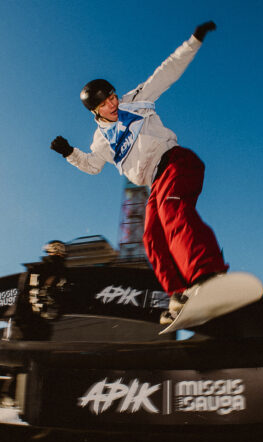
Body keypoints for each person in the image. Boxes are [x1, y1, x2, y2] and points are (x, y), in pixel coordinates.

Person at [50, 21, 228, 324]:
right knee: (152, 238)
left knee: (173, 212)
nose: (113, 104)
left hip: (175, 162)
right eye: (105, 104)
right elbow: (93, 166)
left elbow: (166, 72)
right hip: (155, 183)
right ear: (94, 112)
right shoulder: (100, 142)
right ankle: (179, 295)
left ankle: (207, 275)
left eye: (112, 96)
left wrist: (194, 41)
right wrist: (70, 153)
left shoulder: (136, 101)